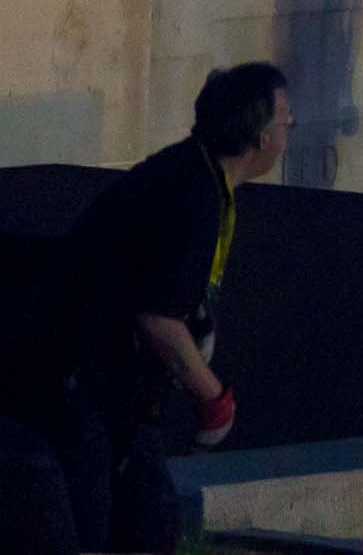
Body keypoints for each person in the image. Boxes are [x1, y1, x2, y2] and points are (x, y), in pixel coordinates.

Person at [64, 62, 294, 553]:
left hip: (109, 386)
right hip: (80, 380)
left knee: (146, 521)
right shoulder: (194, 195)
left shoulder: (196, 177)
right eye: (285, 122)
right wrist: (214, 398)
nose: (288, 132)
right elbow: (157, 319)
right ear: (259, 138)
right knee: (127, 523)